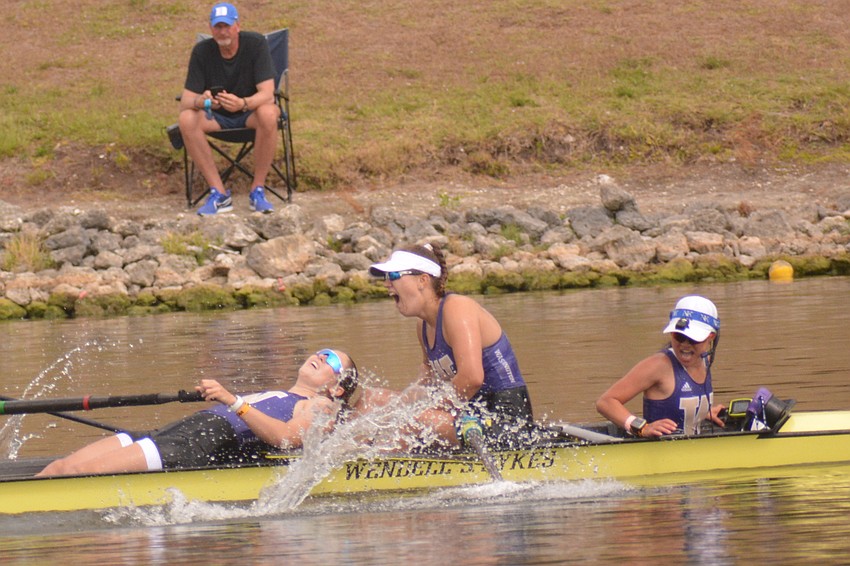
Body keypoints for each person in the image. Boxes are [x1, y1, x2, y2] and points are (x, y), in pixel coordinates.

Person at [37, 349, 358, 477]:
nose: (320, 355)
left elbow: (287, 438)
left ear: (338, 388)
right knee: (61, 467)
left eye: (330, 360)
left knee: (77, 476)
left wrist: (234, 401)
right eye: (322, 350)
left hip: (204, 442)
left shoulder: (321, 405)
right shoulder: (284, 393)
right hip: (182, 430)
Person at [364, 243, 535, 450]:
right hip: (469, 417)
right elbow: (426, 383)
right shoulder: (423, 325)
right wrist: (401, 405)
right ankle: (343, 456)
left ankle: (360, 466)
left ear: (422, 280)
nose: (387, 285)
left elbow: (472, 379)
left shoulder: (457, 308)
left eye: (393, 276)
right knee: (374, 398)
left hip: (506, 421)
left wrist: (418, 410)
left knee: (412, 416)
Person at [179, 2, 279, 216]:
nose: (223, 31)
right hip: (216, 116)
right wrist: (203, 101)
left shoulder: (256, 44)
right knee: (187, 118)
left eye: (227, 26)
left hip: (249, 114)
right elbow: (186, 100)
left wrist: (243, 103)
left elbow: (268, 93)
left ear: (237, 26)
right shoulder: (201, 51)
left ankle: (258, 191)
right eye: (218, 27)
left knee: (269, 112)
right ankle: (219, 194)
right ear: (211, 28)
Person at [595, 295, 726, 438]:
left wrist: (701, 413)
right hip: (656, 454)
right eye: (679, 336)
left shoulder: (705, 360)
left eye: (693, 339)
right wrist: (641, 427)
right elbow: (606, 402)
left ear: (710, 337)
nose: (685, 345)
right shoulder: (658, 366)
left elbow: (680, 408)